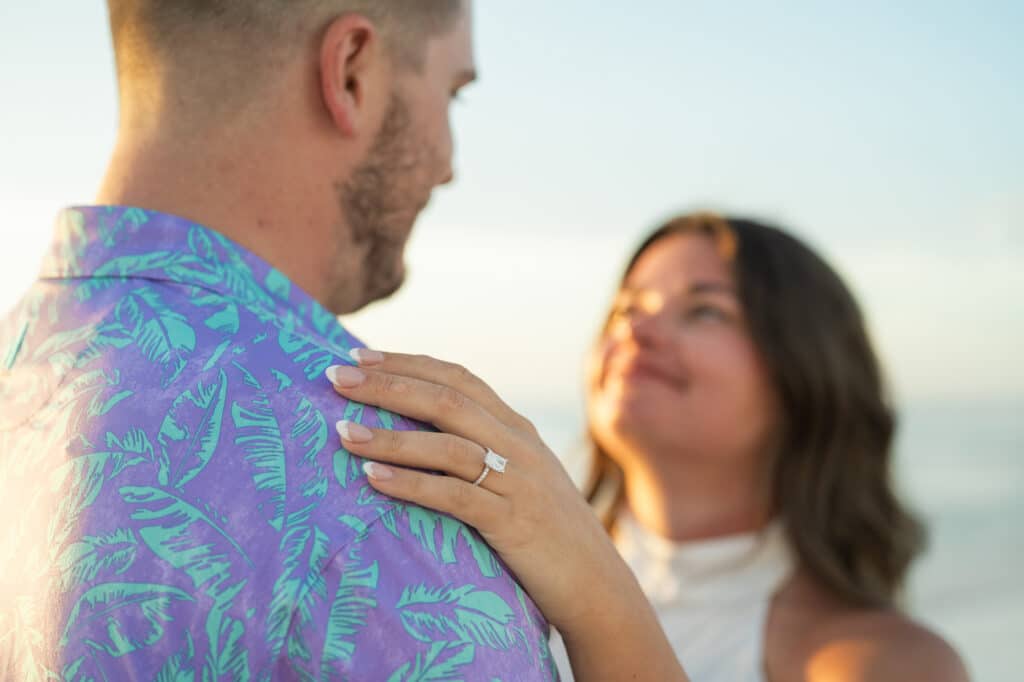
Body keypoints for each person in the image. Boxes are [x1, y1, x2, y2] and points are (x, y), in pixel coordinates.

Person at [0, 1, 592, 678]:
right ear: (350, 72)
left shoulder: (19, 370)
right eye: (452, 93)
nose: (450, 165)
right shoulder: (380, 496)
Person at [324, 213, 971, 681]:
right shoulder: (483, 567)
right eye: (627, 309)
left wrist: (599, 600)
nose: (637, 331)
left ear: (807, 372)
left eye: (705, 311)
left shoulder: (881, 662)